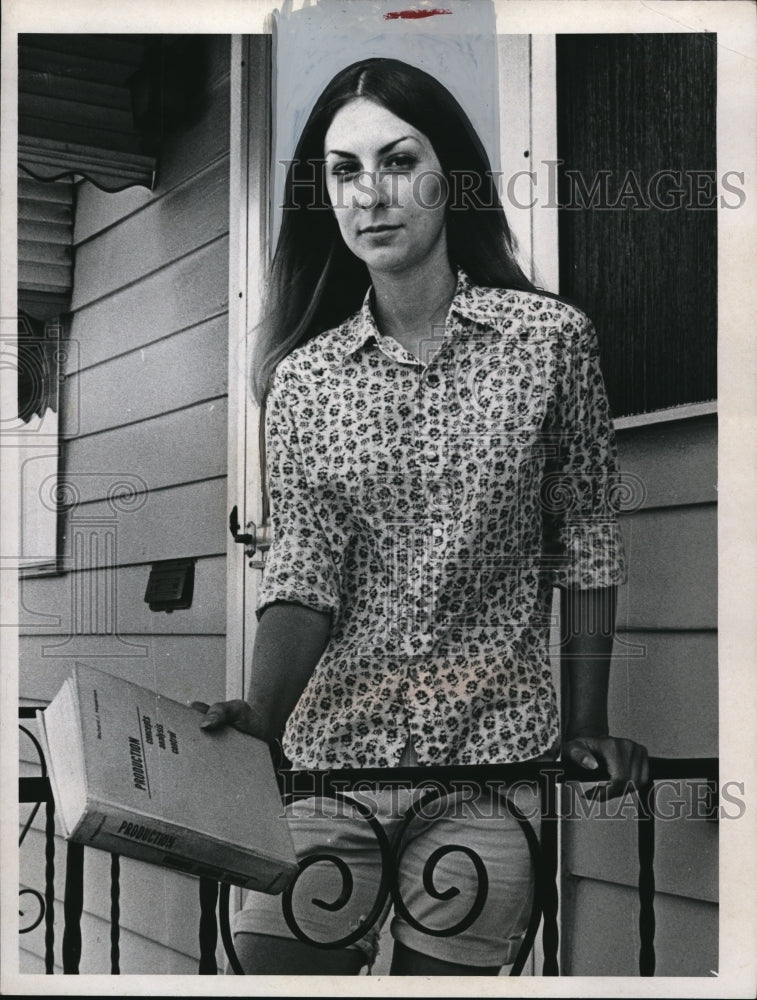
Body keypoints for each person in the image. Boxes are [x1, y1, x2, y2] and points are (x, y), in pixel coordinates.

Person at [197, 57, 649, 976]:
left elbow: (585, 541)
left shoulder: (549, 342)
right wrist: (261, 717)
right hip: (332, 762)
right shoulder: (304, 379)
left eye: (398, 161)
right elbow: (303, 572)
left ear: (454, 178)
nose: (371, 194)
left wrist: (586, 721)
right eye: (344, 171)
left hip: (489, 765)